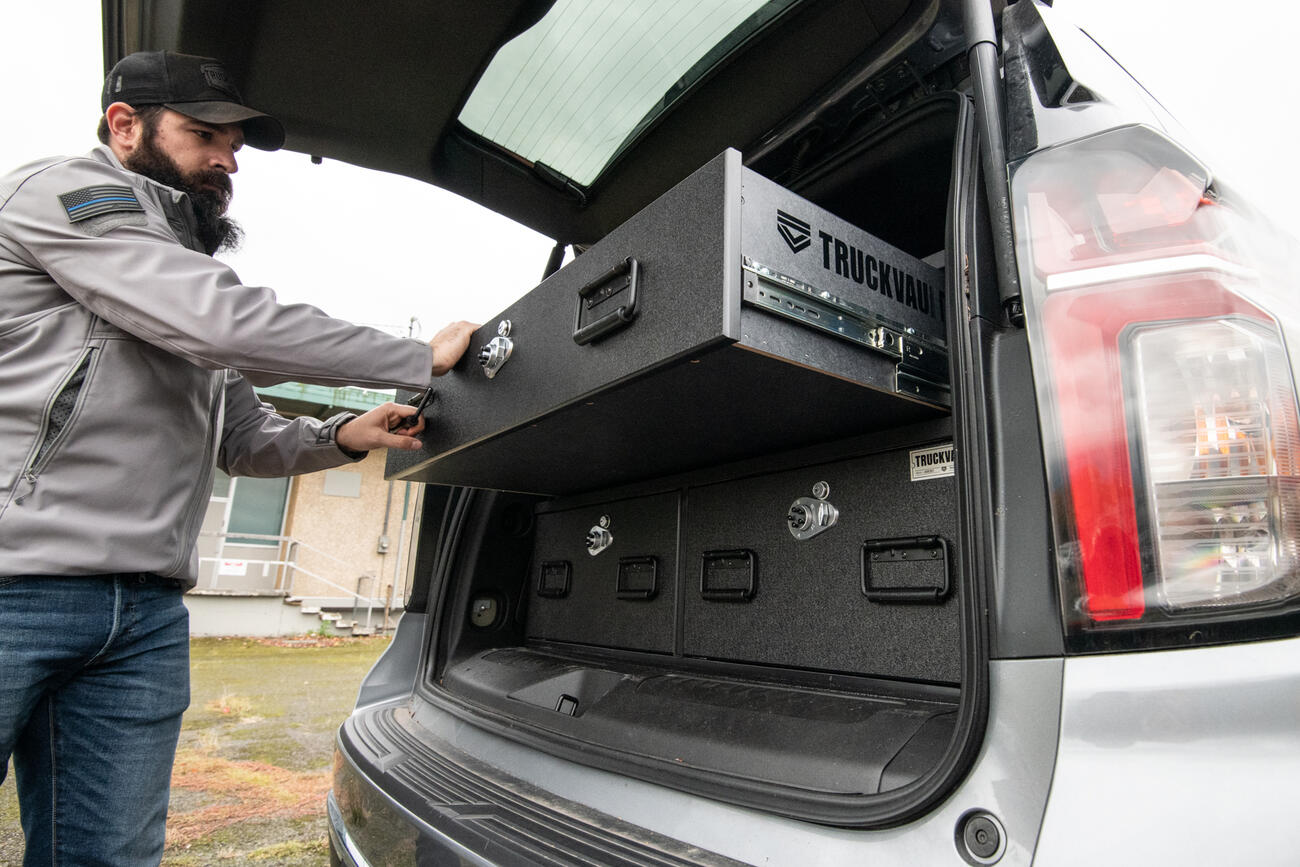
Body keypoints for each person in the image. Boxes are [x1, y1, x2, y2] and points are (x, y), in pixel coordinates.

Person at [0, 50, 478, 865]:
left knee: (109, 857)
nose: (227, 159)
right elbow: (219, 322)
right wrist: (414, 356)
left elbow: (242, 435)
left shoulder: (182, 276)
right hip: (18, 584)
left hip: (144, 615)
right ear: (124, 126)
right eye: (204, 135)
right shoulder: (69, 194)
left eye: (235, 146)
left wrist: (341, 435)